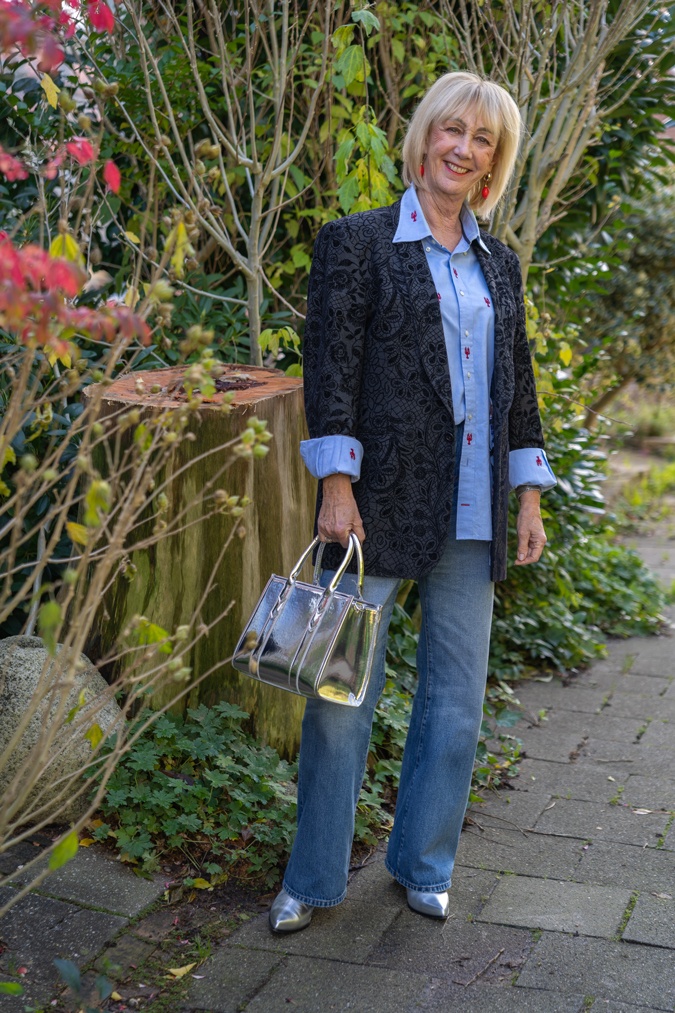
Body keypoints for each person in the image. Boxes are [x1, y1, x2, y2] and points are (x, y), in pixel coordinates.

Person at [269, 71, 556, 933]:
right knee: (335, 699)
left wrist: (528, 496)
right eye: (452, 131)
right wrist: (336, 482)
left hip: (472, 513)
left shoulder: (496, 261)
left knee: (456, 704)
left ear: (493, 163)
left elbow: (519, 387)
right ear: (426, 135)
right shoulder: (355, 243)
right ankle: (311, 878)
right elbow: (331, 369)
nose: (462, 150)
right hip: (373, 508)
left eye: (483, 142)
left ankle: (424, 864)